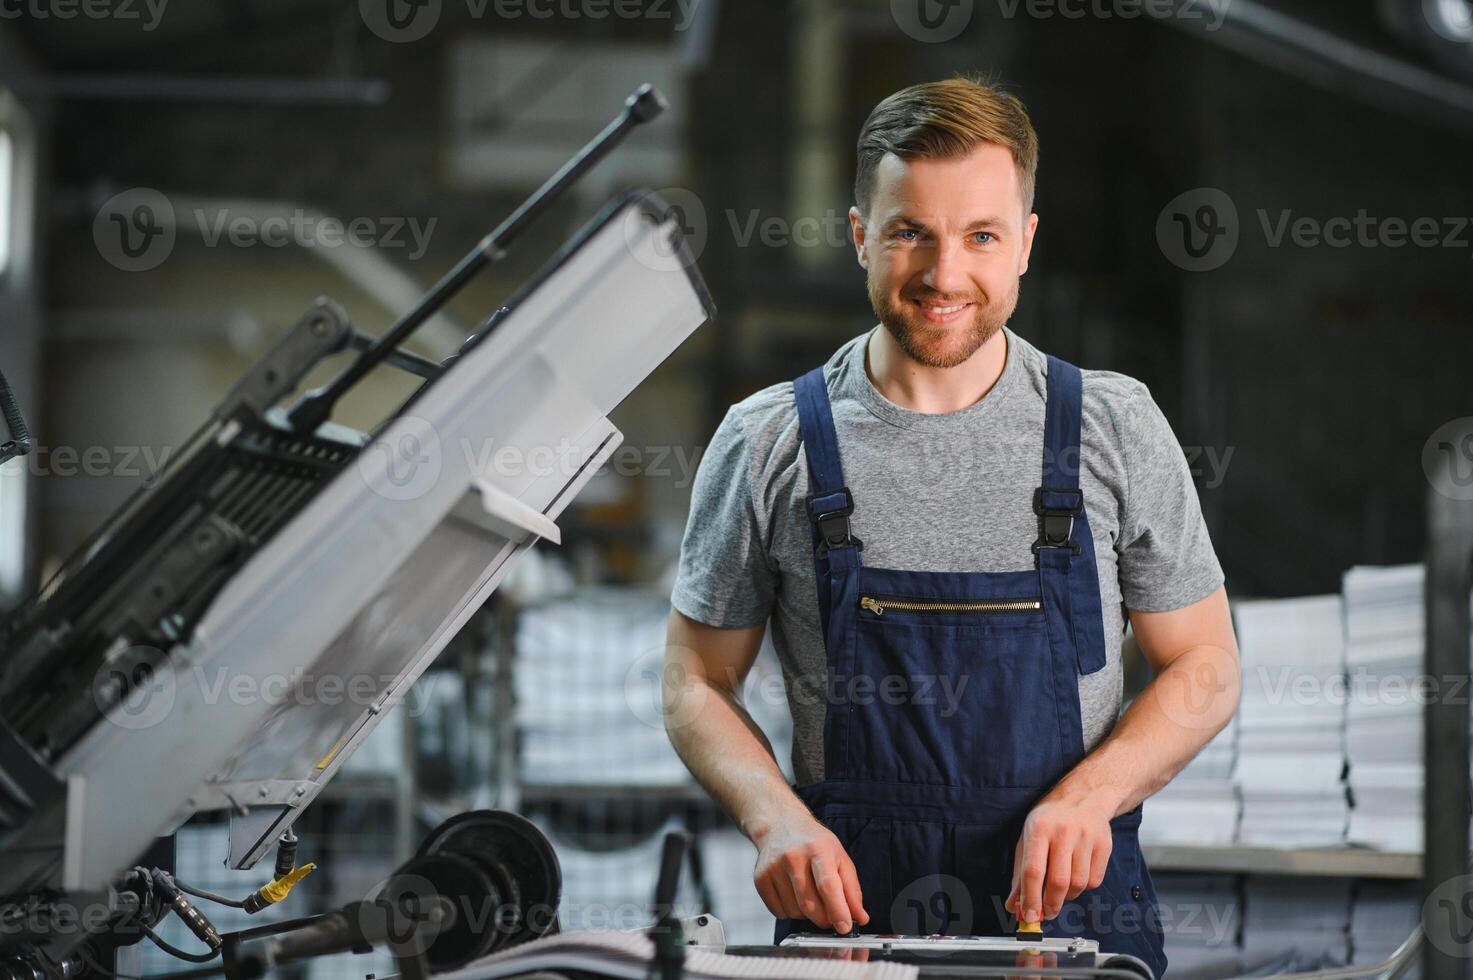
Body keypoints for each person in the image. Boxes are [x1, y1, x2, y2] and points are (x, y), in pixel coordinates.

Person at [662, 75, 1240, 977]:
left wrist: (1090, 798)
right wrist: (773, 819)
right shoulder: (767, 439)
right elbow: (695, 679)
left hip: (1068, 916)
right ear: (859, 236)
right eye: (909, 234)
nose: (944, 275)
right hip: (849, 922)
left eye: (980, 236)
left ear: (1024, 246)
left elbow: (1204, 663)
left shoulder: (1113, 427)